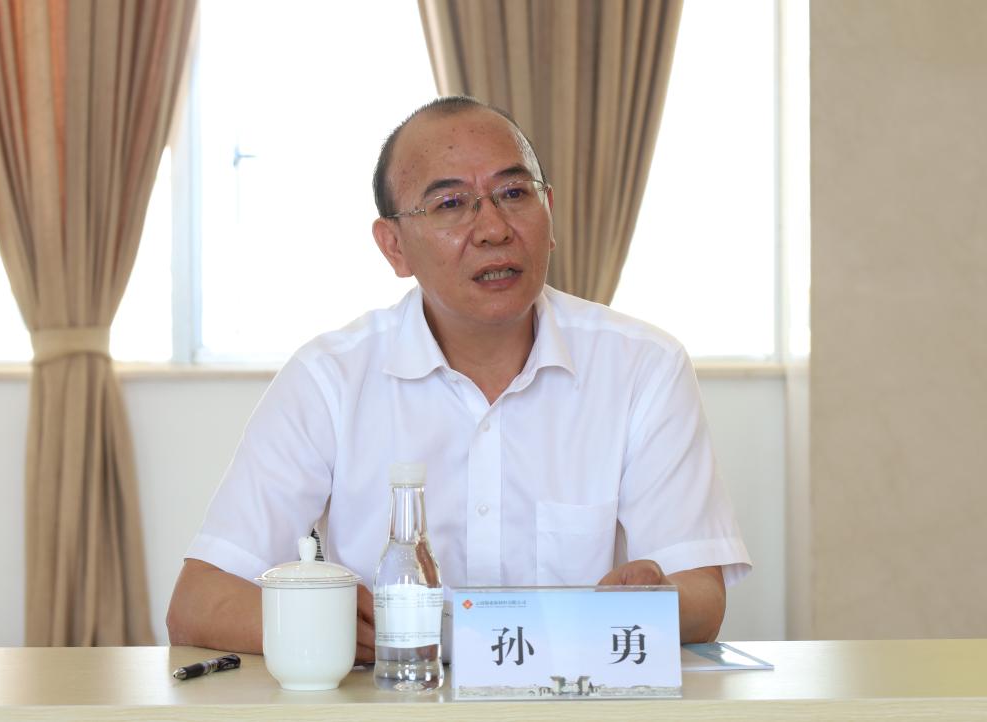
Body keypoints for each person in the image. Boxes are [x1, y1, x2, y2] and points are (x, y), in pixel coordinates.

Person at [167, 96, 751, 662]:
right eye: (450, 204)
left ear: (549, 213)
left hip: (569, 698)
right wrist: (325, 625)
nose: (494, 228)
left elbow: (700, 596)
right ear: (394, 246)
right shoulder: (330, 378)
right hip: (392, 701)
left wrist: (647, 599)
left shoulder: (643, 365)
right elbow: (198, 602)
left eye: (514, 193)